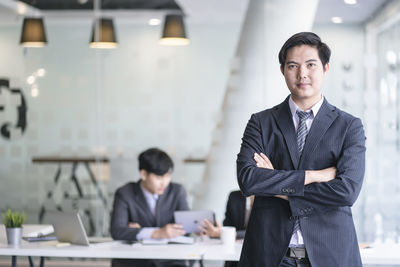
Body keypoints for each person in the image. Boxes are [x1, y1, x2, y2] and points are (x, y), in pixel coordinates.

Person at [236, 32, 366, 267]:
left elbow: (347, 191)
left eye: (311, 65)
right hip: (270, 255)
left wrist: (279, 187)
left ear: (326, 68)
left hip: (330, 255)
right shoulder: (261, 122)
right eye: (292, 65)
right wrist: (314, 176)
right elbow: (248, 180)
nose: (302, 74)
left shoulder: (348, 126)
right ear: (282, 70)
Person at [110, 148, 189, 267]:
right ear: (143, 174)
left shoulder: (177, 191)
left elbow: (185, 228)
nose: (164, 183)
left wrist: (138, 232)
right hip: (134, 260)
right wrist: (157, 233)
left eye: (167, 176)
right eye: (159, 177)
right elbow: (117, 231)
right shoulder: (125, 193)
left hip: (169, 260)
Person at [200, 190, 254, 267]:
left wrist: (231, 234)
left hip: (257, 254)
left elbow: (262, 232)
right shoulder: (234, 196)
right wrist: (219, 230)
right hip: (234, 254)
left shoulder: (270, 199)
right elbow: (228, 224)